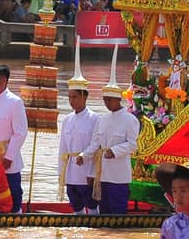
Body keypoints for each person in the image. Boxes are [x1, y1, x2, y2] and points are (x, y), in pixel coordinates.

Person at [0, 63, 29, 212]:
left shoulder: (15, 102)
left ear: (3, 80)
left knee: (12, 187)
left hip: (6, 153)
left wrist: (9, 157)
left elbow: (20, 132)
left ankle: (17, 214)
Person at [87, 80, 139, 215]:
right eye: (105, 100)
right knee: (104, 211)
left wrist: (115, 151)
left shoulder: (130, 119)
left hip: (119, 175)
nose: (107, 103)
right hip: (103, 174)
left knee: (117, 212)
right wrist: (84, 157)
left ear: (118, 99)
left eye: (109, 100)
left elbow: (133, 145)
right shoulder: (102, 119)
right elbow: (95, 145)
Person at [59, 73, 100, 214]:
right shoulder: (67, 119)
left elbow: (96, 144)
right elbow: (63, 148)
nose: (71, 101)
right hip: (71, 169)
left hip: (86, 169)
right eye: (69, 97)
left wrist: (92, 171)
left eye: (74, 97)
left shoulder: (94, 118)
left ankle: (95, 230)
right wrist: (61, 173)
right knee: (75, 204)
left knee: (92, 204)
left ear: (84, 97)